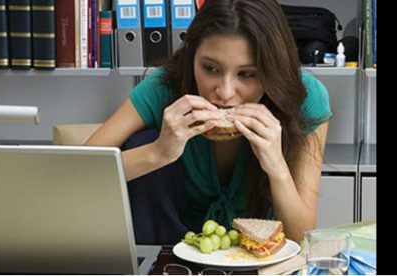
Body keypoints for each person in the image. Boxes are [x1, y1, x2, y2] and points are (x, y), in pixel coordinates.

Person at [85, 0, 332, 245]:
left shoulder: (305, 97)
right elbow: (72, 174)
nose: (225, 93)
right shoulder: (164, 87)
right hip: (169, 256)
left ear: (272, 69)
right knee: (142, 141)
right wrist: (158, 151)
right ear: (192, 58)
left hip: (259, 259)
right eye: (210, 68)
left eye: (247, 74)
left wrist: (277, 166)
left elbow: (300, 238)